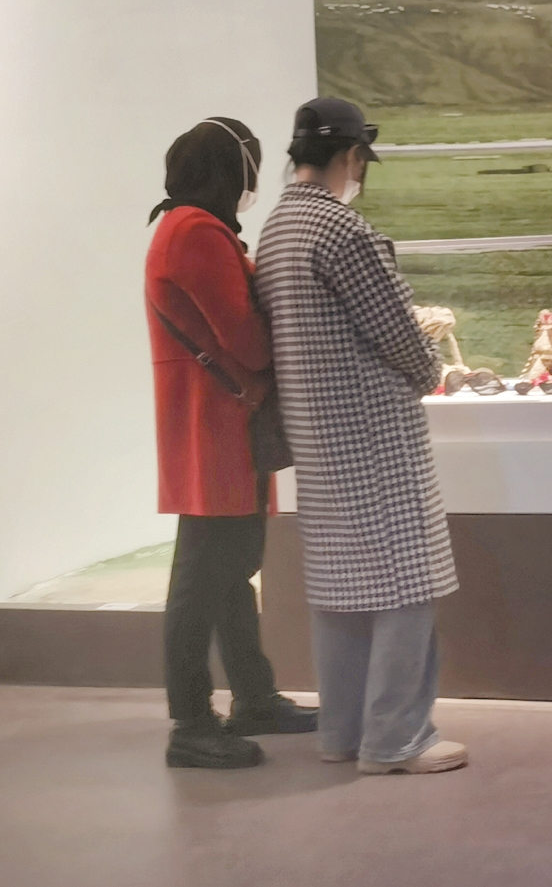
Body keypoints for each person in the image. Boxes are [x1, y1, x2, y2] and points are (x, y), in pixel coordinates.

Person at [253, 97, 466, 775]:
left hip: (314, 432)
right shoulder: (344, 231)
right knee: (406, 582)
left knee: (340, 589)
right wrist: (431, 370)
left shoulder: (277, 229)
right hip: (374, 430)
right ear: (351, 157)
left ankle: (342, 732)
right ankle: (397, 738)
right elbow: (400, 332)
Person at [145, 117, 319, 769]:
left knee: (226, 572)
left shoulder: (184, 226)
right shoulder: (198, 231)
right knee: (203, 579)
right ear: (231, 169)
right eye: (252, 166)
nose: (255, 181)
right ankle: (191, 721)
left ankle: (253, 696)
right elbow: (247, 340)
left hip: (216, 419)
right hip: (218, 422)